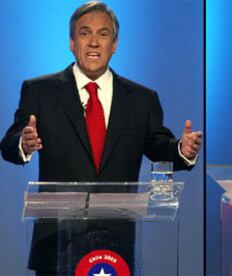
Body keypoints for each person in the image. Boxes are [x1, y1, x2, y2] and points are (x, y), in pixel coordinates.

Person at [0, 1, 202, 275]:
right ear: (72, 42)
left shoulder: (141, 99)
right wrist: (23, 143)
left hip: (115, 241)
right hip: (57, 243)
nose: (94, 42)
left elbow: (158, 147)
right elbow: (9, 144)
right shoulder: (40, 91)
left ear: (115, 44)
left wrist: (182, 150)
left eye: (103, 34)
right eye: (85, 33)